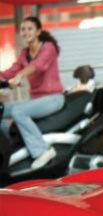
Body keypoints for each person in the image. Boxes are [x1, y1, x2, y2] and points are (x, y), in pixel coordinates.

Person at [0, 16, 64, 170]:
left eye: (30, 29)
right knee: (2, 108)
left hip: (53, 98)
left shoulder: (48, 47)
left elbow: (38, 65)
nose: (25, 32)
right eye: (23, 29)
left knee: (18, 111)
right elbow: (10, 71)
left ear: (38, 31)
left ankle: (42, 151)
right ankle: (9, 146)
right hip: (35, 100)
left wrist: (20, 76)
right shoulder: (25, 53)